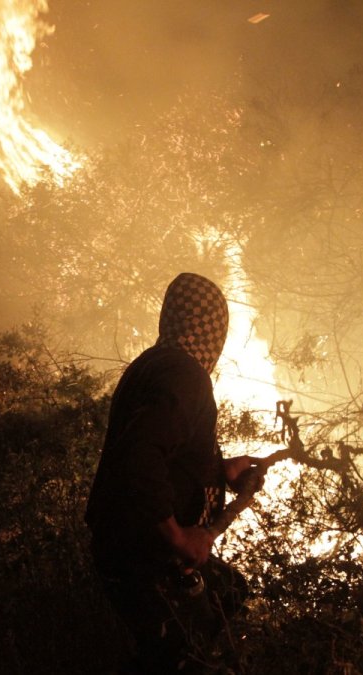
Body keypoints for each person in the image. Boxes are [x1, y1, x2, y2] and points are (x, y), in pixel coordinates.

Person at [85, 272, 267, 673]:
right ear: (212, 329)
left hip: (127, 544)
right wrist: (178, 535)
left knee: (229, 593)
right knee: (178, 658)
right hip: (145, 551)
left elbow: (166, 452)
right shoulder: (185, 375)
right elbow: (139, 455)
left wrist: (220, 471)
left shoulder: (154, 366)